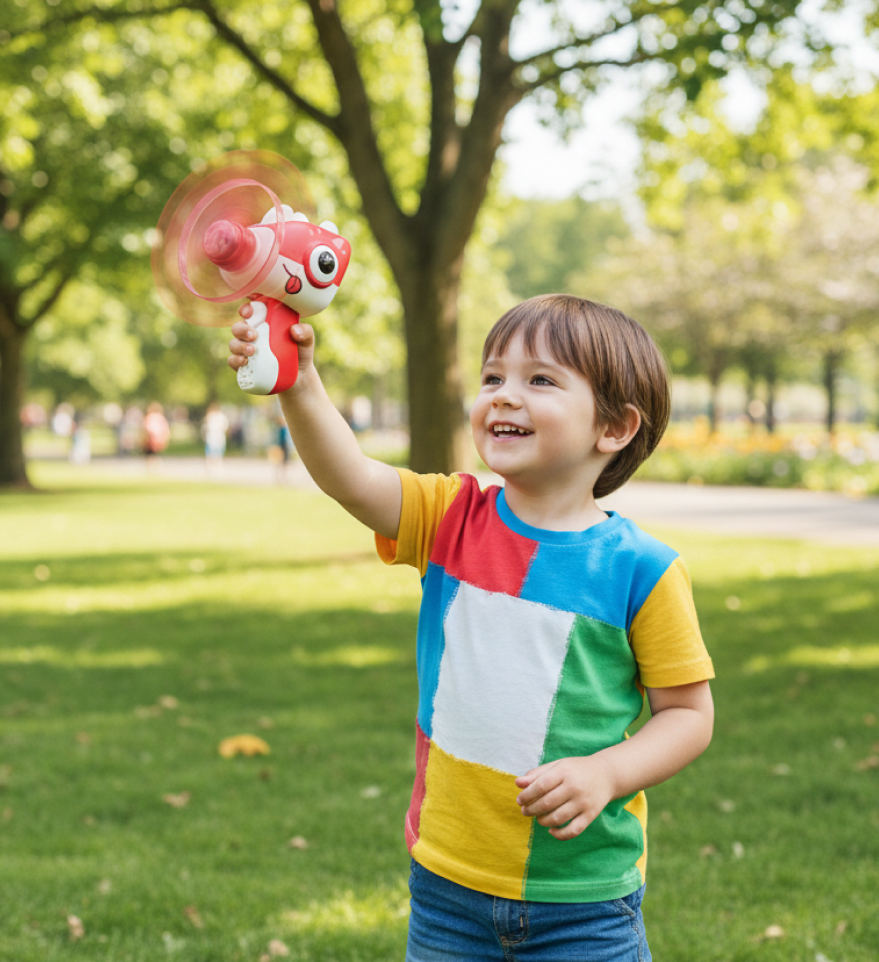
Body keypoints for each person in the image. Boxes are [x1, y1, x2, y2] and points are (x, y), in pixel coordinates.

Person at [228, 293, 714, 961]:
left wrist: (607, 772)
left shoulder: (642, 570)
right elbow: (348, 477)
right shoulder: (450, 516)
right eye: (492, 377)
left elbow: (687, 714)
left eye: (539, 379)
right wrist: (298, 382)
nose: (504, 395)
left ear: (614, 427)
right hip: (446, 884)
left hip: (581, 896)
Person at [202, 402, 229, 474]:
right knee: (213, 454)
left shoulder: (217, 417)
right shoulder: (212, 417)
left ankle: (214, 468)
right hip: (213, 438)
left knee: (215, 454)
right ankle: (212, 469)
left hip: (216, 438)